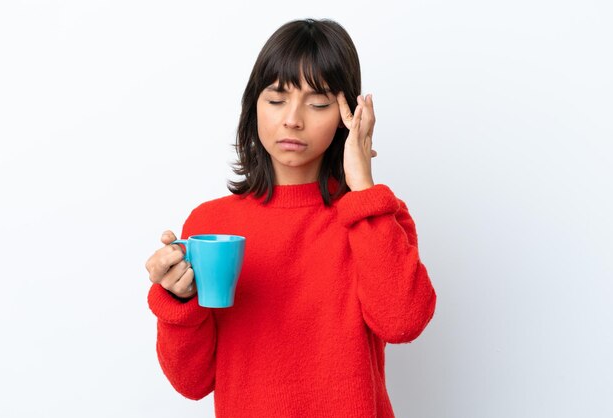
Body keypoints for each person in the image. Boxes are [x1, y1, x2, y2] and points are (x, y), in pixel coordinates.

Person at [145, 18, 436, 418]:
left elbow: (402, 322)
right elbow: (192, 383)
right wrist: (177, 299)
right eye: (276, 99)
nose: (293, 119)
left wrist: (362, 186)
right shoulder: (211, 226)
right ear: (253, 106)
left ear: (346, 114)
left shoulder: (374, 214)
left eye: (317, 103)